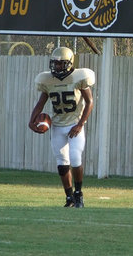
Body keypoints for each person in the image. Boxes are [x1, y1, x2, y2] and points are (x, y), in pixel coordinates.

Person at [29, 46, 95, 208]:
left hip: (74, 124)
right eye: (55, 64)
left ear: (70, 63)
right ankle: (69, 197)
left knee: (75, 157)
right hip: (57, 125)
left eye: (61, 64)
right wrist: (31, 121)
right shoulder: (47, 81)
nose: (57, 67)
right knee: (62, 162)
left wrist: (80, 124)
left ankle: (79, 194)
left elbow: (89, 102)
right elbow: (41, 102)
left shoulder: (79, 77)